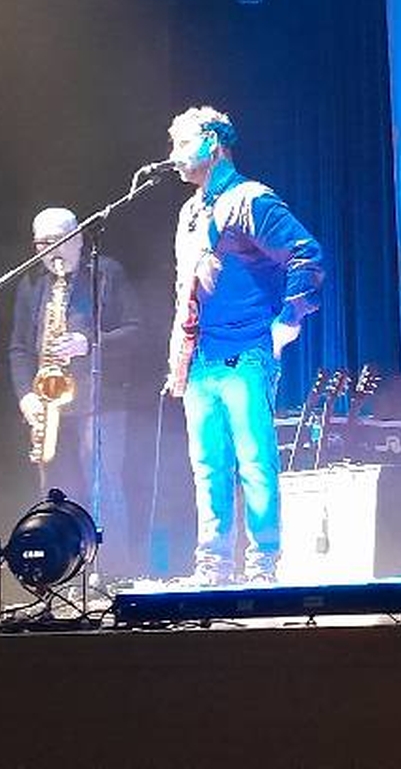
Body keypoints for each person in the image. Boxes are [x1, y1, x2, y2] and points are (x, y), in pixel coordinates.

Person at [162, 107, 325, 585]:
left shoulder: (250, 199)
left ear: (213, 143)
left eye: (182, 143)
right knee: (208, 466)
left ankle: (262, 567)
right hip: (200, 356)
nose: (173, 155)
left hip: (246, 350)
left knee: (254, 462)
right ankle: (213, 565)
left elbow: (306, 253)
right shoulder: (190, 212)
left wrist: (288, 319)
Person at [8, 207, 143, 571]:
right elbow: (19, 348)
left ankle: (112, 573)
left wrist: (90, 343)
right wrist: (26, 396)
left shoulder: (106, 273)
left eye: (59, 241)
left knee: (104, 489)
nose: (50, 251)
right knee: (55, 494)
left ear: (79, 239)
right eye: (42, 243)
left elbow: (136, 331)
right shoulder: (32, 283)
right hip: (50, 405)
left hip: (102, 402)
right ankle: (62, 572)